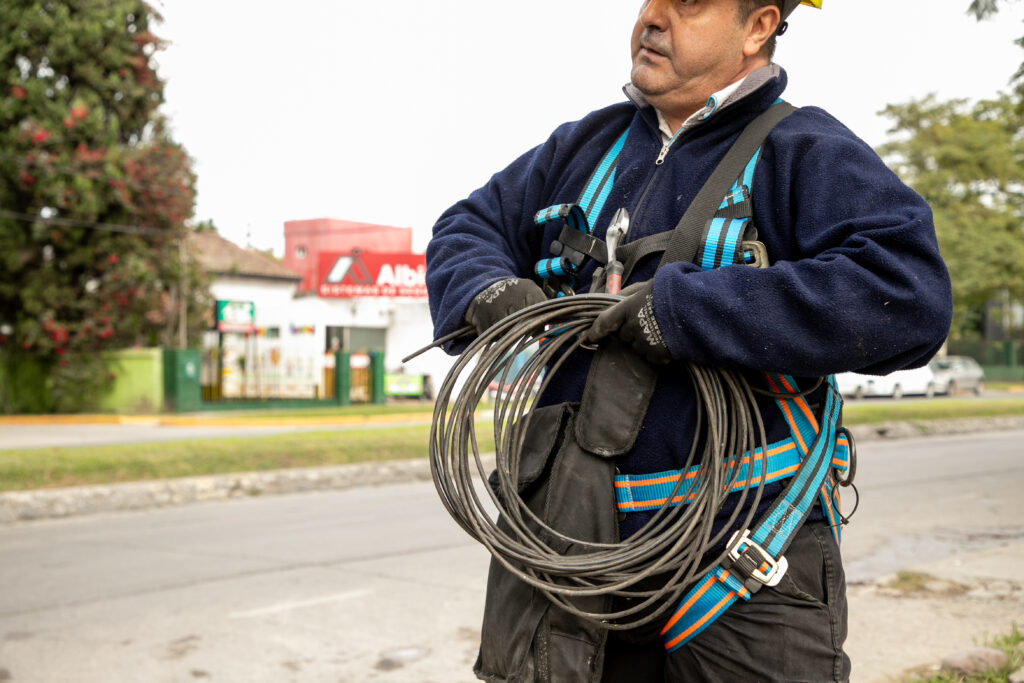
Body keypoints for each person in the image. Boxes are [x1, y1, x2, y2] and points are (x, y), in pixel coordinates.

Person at [426, 0, 952, 680]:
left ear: (758, 27)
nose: (653, 17)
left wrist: (683, 313)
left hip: (740, 571)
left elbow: (905, 292)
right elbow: (465, 228)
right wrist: (483, 289)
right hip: (570, 561)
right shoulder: (583, 149)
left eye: (689, 3)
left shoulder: (803, 151)